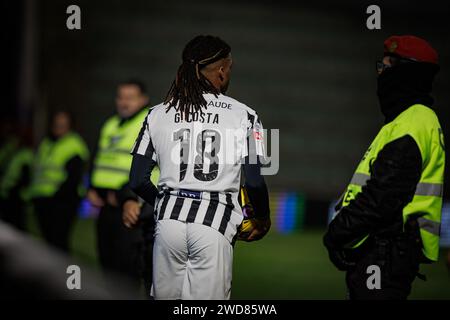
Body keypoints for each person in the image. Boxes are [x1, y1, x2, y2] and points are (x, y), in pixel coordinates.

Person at [127, 35, 271, 300]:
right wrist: (262, 218)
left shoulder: (157, 113)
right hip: (213, 224)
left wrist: (166, 203)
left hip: (168, 223)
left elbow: (136, 180)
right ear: (221, 71)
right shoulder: (245, 115)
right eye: (230, 68)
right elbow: (253, 181)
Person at [323, 35, 445, 300]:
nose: (381, 75)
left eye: (387, 67)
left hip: (384, 252)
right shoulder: (412, 120)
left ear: (408, 73)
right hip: (387, 252)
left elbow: (383, 197)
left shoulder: (411, 124)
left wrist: (337, 233)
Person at [87, 80, 159, 289]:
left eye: (130, 97)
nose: (124, 102)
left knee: (126, 274)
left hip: (131, 207)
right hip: (106, 207)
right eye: (121, 97)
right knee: (107, 270)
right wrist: (92, 187)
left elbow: (154, 169)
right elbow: (100, 159)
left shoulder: (149, 124)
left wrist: (133, 198)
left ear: (143, 99)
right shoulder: (110, 124)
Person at [30, 111, 89, 252]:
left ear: (70, 125)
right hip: (42, 200)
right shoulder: (47, 143)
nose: (59, 126)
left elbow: (73, 178)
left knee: (58, 242)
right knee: (48, 242)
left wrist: (58, 196)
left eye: (63, 123)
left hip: (62, 201)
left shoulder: (73, 144)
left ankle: (64, 273)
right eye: (56, 122)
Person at [0, 126, 33, 230]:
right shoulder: (11, 152)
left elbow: (26, 177)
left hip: (17, 196)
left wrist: (15, 189)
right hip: (6, 194)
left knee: (17, 226)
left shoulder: (25, 154)